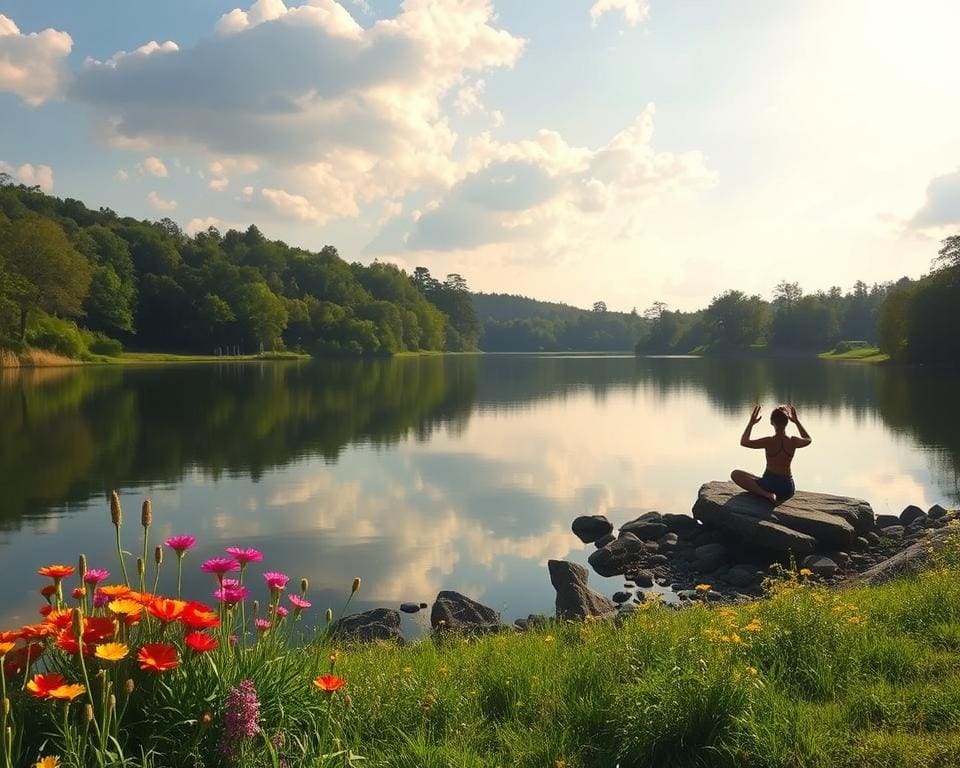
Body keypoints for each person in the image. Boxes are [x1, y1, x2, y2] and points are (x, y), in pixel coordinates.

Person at [730, 404, 811, 504]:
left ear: (772, 422)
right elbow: (808, 439)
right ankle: (773, 495)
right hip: (788, 488)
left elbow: (744, 442)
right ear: (787, 423)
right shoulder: (793, 441)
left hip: (770, 484)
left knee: (735, 474)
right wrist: (796, 422)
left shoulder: (769, 441)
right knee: (755, 477)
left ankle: (767, 494)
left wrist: (751, 423)